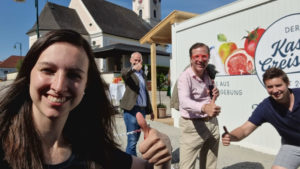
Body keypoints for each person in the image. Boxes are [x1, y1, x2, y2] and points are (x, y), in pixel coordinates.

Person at [0, 29, 171, 169]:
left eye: (74, 75)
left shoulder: (93, 151)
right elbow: (125, 74)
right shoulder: (4, 146)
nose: (59, 86)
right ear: (28, 74)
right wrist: (133, 68)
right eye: (48, 70)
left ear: (86, 86)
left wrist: (163, 159)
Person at [222, 67, 300, 169]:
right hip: (292, 144)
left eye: (278, 85)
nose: (275, 90)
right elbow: (245, 129)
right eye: (270, 87)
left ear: (287, 83)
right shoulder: (266, 107)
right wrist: (231, 136)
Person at [177, 42, 221, 169]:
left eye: (204, 56)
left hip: (212, 123)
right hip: (192, 126)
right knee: (187, 166)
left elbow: (208, 95)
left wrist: (215, 93)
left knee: (210, 163)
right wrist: (204, 107)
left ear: (208, 57)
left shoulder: (208, 73)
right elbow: (184, 101)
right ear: (191, 59)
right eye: (196, 57)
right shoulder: (185, 77)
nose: (200, 60)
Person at [120, 52, 154, 156]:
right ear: (131, 60)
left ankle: (131, 161)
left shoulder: (143, 74)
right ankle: (130, 164)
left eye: (139, 60)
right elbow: (125, 75)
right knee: (132, 141)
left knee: (136, 139)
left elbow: (145, 93)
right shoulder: (127, 71)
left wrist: (151, 110)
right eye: (135, 60)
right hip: (131, 110)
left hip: (142, 110)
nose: (137, 62)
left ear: (142, 61)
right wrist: (134, 69)